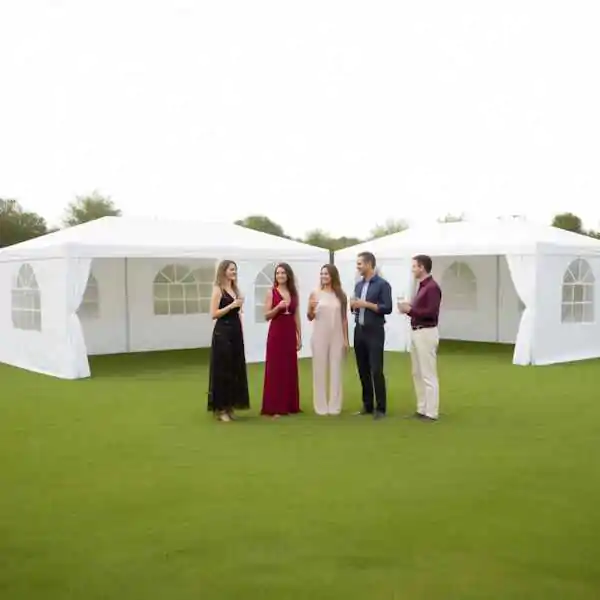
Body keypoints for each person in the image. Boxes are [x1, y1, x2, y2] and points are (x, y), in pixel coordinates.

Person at [398, 254, 442, 421]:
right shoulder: (422, 287)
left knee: (428, 373)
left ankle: (432, 412)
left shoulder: (432, 287)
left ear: (422, 267)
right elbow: (421, 309)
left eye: (414, 266)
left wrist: (409, 310)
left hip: (426, 332)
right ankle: (422, 407)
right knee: (417, 372)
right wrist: (409, 307)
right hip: (417, 331)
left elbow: (431, 312)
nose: (413, 269)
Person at [350, 252, 393, 419]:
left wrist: (366, 304)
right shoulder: (358, 285)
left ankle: (381, 408)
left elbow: (387, 308)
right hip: (359, 330)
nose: (357, 267)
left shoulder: (383, 285)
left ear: (369, 264)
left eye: (359, 263)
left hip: (374, 331)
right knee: (362, 369)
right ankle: (367, 405)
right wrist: (353, 305)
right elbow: (356, 307)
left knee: (376, 369)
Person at [207, 260, 250, 422]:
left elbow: (238, 313)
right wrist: (232, 305)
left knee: (234, 368)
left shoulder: (235, 289)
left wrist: (239, 306)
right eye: (231, 269)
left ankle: (230, 406)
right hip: (222, 332)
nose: (234, 272)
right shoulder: (218, 290)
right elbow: (214, 314)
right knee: (223, 369)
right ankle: (221, 409)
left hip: (235, 332)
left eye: (235, 270)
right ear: (223, 271)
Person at [307, 264, 349, 415]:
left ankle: (335, 405)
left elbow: (344, 319)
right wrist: (311, 308)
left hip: (337, 335)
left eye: (326, 274)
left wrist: (346, 340)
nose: (323, 276)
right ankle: (321, 405)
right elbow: (309, 317)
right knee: (319, 369)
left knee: (336, 369)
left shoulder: (341, 295)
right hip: (319, 335)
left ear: (333, 276)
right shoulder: (315, 293)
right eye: (322, 274)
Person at [261, 262, 302, 418]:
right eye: (278, 273)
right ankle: (274, 407)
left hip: (289, 333)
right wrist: (277, 308)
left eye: (283, 273)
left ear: (288, 275)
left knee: (289, 367)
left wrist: (299, 335)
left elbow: (296, 315)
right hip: (277, 333)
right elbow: (266, 316)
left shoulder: (293, 293)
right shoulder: (271, 292)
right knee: (275, 369)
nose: (280, 275)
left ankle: (290, 404)